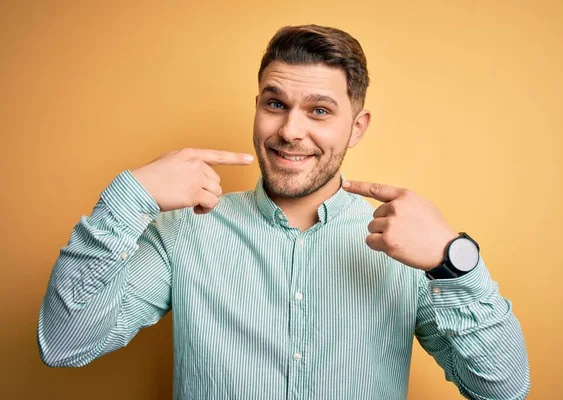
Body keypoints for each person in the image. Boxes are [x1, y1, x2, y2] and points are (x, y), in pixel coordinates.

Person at [37, 24, 530, 399]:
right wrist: (128, 197)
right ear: (257, 106)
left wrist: (452, 261)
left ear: (356, 128)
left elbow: (503, 389)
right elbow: (64, 346)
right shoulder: (180, 233)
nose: (291, 131)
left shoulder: (408, 246)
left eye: (319, 111)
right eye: (276, 104)